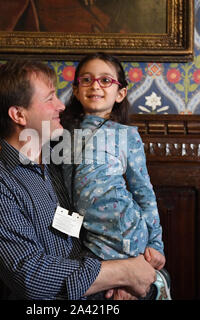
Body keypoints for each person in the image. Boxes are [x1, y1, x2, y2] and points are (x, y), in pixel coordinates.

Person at [0, 58, 156, 300]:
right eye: (50, 98)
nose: (62, 106)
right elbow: (32, 277)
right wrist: (123, 273)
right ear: (19, 115)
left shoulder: (62, 166)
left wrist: (119, 282)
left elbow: (86, 231)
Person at [60, 53, 171, 299]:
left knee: (125, 286)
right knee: (105, 286)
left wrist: (156, 244)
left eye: (105, 80)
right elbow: (28, 149)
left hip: (126, 230)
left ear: (120, 93)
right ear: (76, 90)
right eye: (86, 80)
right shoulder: (61, 135)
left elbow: (144, 191)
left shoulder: (126, 136)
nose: (95, 85)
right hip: (88, 236)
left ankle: (156, 284)